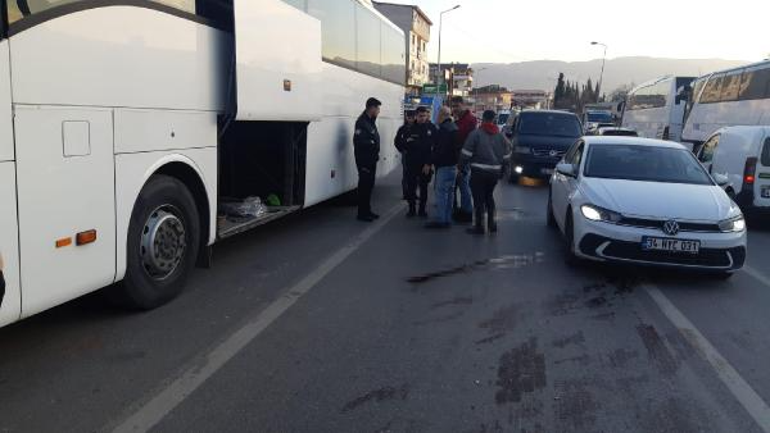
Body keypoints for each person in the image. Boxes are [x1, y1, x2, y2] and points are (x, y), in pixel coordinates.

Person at [459, 110, 512, 235]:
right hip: (494, 173)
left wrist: (460, 167)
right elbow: (507, 156)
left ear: (483, 119)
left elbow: (466, 153)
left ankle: (479, 226)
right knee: (489, 197)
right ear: (494, 120)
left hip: (478, 171)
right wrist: (502, 170)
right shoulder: (501, 136)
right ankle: (492, 224)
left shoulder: (476, 134)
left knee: (478, 199)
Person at [425, 106, 460, 229]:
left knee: (441, 193)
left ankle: (441, 219)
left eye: (438, 114)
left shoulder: (444, 130)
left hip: (444, 166)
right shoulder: (455, 128)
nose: (437, 117)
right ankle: (447, 219)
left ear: (443, 115)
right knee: (449, 194)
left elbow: (439, 150)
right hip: (453, 166)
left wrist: (429, 163)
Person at [398, 106, 435, 218]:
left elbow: (435, 147)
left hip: (425, 164)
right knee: (411, 187)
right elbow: (399, 142)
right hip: (411, 162)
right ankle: (412, 209)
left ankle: (422, 210)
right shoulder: (409, 128)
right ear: (416, 116)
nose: (423, 118)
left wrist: (429, 163)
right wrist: (404, 149)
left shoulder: (431, 128)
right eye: (420, 116)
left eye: (424, 116)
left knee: (424, 188)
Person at [354, 97, 382, 222]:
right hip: (364, 160)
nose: (379, 111)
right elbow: (358, 141)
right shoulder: (362, 122)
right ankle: (362, 213)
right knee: (364, 186)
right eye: (377, 108)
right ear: (372, 108)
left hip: (371, 159)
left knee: (369, 186)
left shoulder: (370, 121)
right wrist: (371, 143)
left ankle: (367, 210)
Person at [451, 96, 477, 223]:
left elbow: (463, 138)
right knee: (455, 185)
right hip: (456, 156)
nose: (455, 109)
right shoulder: (458, 119)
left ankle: (467, 211)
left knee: (463, 184)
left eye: (457, 106)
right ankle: (456, 208)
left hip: (463, 158)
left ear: (463, 105)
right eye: (453, 106)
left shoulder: (470, 120)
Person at [395, 110, 416, 200]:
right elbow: (397, 142)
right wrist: (403, 148)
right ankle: (406, 193)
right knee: (406, 174)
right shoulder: (402, 129)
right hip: (406, 153)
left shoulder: (417, 128)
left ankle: (413, 193)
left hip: (416, 154)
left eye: (412, 118)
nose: (410, 119)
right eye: (408, 117)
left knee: (415, 175)